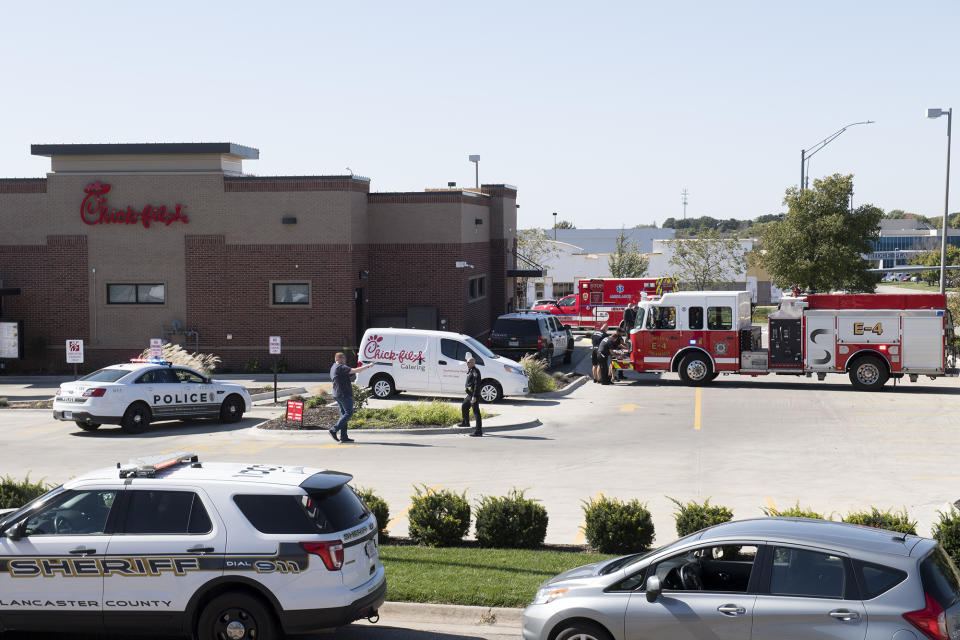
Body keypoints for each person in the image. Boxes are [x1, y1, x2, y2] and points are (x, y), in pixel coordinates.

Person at [329, 352, 374, 443]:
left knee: (344, 415)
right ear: (338, 359)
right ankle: (334, 429)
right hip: (344, 394)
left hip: (337, 394)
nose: (345, 360)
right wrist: (369, 366)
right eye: (343, 358)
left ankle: (343, 437)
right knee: (349, 413)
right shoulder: (341, 367)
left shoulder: (333, 367)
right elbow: (356, 370)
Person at [459, 356, 483, 436]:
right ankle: (465, 423)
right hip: (470, 394)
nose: (467, 363)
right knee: (464, 406)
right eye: (467, 362)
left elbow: (477, 384)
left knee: (476, 412)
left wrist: (474, 396)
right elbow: (470, 384)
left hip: (474, 395)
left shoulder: (475, 371)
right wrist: (468, 394)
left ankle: (478, 431)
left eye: (469, 362)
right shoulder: (470, 370)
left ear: (473, 363)